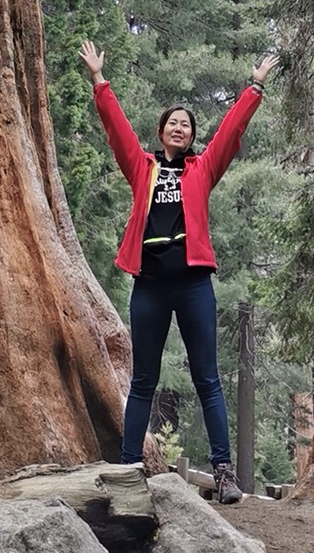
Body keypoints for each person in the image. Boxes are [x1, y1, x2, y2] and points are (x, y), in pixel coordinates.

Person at [79, 39, 276, 504]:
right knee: (142, 380)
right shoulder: (142, 168)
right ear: (162, 131)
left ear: (191, 136)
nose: (179, 129)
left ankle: (224, 473)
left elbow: (229, 134)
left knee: (207, 377)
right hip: (149, 286)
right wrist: (99, 82)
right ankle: (129, 469)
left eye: (186, 125)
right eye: (172, 123)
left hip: (192, 286)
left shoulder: (201, 170)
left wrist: (254, 88)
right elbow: (118, 132)